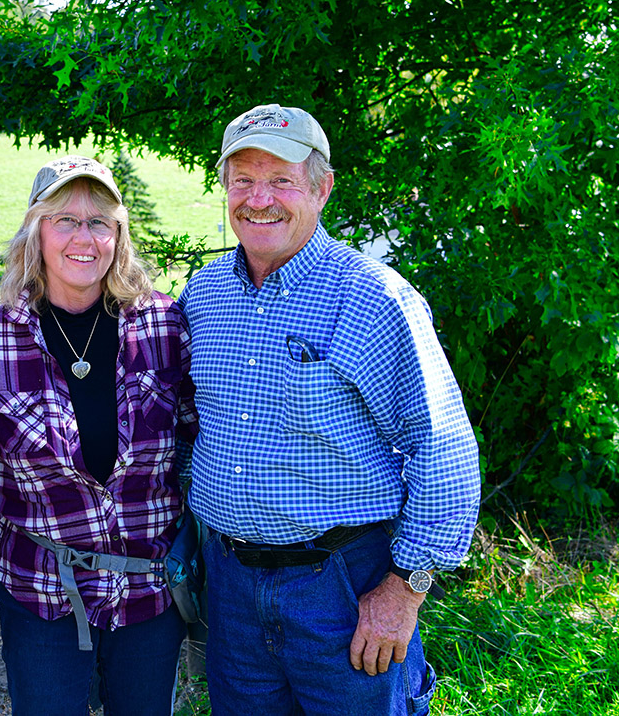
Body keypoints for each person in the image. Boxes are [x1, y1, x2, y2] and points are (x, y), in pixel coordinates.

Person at [177, 105, 480, 716]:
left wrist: (405, 589)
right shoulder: (204, 294)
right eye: (242, 179)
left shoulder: (373, 297)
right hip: (231, 586)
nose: (259, 198)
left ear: (321, 188)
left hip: (344, 587)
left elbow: (444, 449)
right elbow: (183, 425)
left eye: (282, 180)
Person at [0, 156, 199, 716]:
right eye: (64, 219)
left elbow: (202, 433)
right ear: (36, 231)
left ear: (119, 235)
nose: (82, 237)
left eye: (99, 222)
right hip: (41, 591)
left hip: (148, 591)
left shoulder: (162, 326)